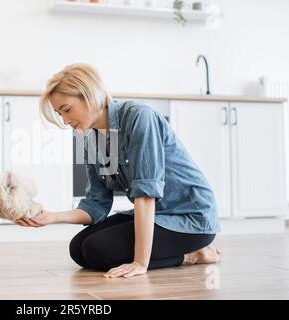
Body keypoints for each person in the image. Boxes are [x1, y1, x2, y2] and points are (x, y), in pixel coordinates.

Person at [16, 63, 221, 279]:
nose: (65, 121)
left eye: (67, 110)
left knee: (99, 249)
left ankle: (192, 255)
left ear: (89, 95)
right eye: (60, 114)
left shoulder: (140, 118)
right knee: (78, 248)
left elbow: (145, 193)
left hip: (191, 218)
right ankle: (181, 254)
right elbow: (96, 205)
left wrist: (140, 263)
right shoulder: (88, 138)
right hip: (158, 216)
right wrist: (51, 217)